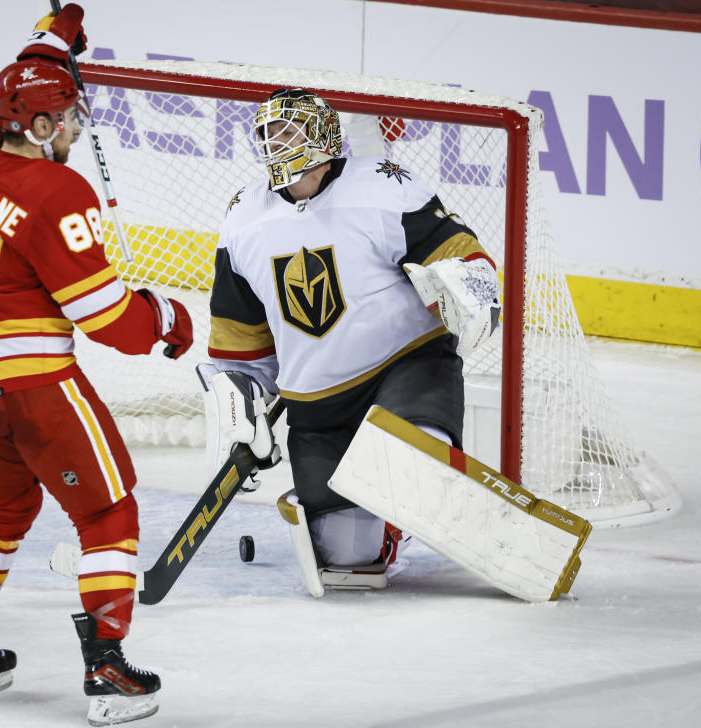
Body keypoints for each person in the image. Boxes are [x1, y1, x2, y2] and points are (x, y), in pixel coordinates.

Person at [0, 6, 189, 724]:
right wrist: (168, 320)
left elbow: (19, 82)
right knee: (107, 511)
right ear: (36, 126)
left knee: (3, 506)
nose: (75, 127)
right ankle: (107, 670)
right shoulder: (58, 192)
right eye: (66, 116)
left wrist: (54, 38)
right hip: (28, 384)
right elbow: (109, 322)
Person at [200, 88, 501, 595]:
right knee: (348, 560)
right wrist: (238, 413)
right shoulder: (243, 218)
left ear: (324, 138)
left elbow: (459, 252)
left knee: (413, 457)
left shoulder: (383, 187)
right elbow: (239, 342)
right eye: (270, 133)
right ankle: (386, 528)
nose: (278, 143)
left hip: (404, 366)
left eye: (290, 131)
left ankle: (412, 496)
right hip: (318, 402)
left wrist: (469, 286)